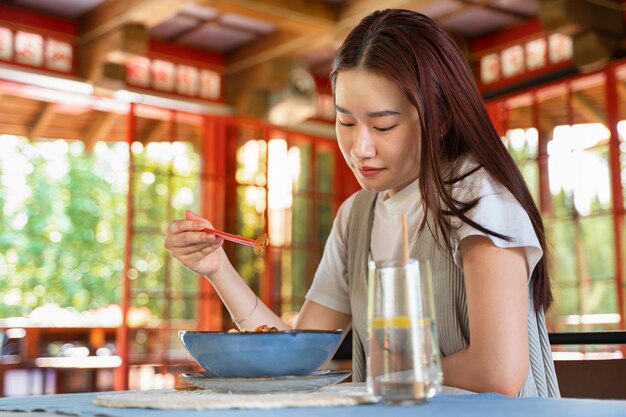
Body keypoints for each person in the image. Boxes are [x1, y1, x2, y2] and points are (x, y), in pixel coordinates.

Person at [164, 9, 560, 398]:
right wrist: (218, 270)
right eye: (346, 122)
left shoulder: (478, 197)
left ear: (439, 118)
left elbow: (498, 372)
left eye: (383, 125)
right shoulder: (357, 215)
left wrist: (370, 383)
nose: (359, 148)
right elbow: (299, 359)